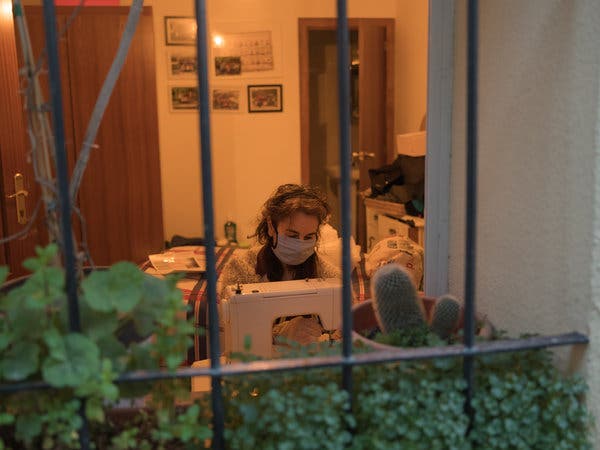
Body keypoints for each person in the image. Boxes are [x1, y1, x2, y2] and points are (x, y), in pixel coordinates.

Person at [219, 183, 341, 298]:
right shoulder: (240, 271)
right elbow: (231, 320)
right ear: (271, 227)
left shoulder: (331, 278)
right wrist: (289, 322)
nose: (300, 245)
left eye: (309, 237)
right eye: (292, 236)